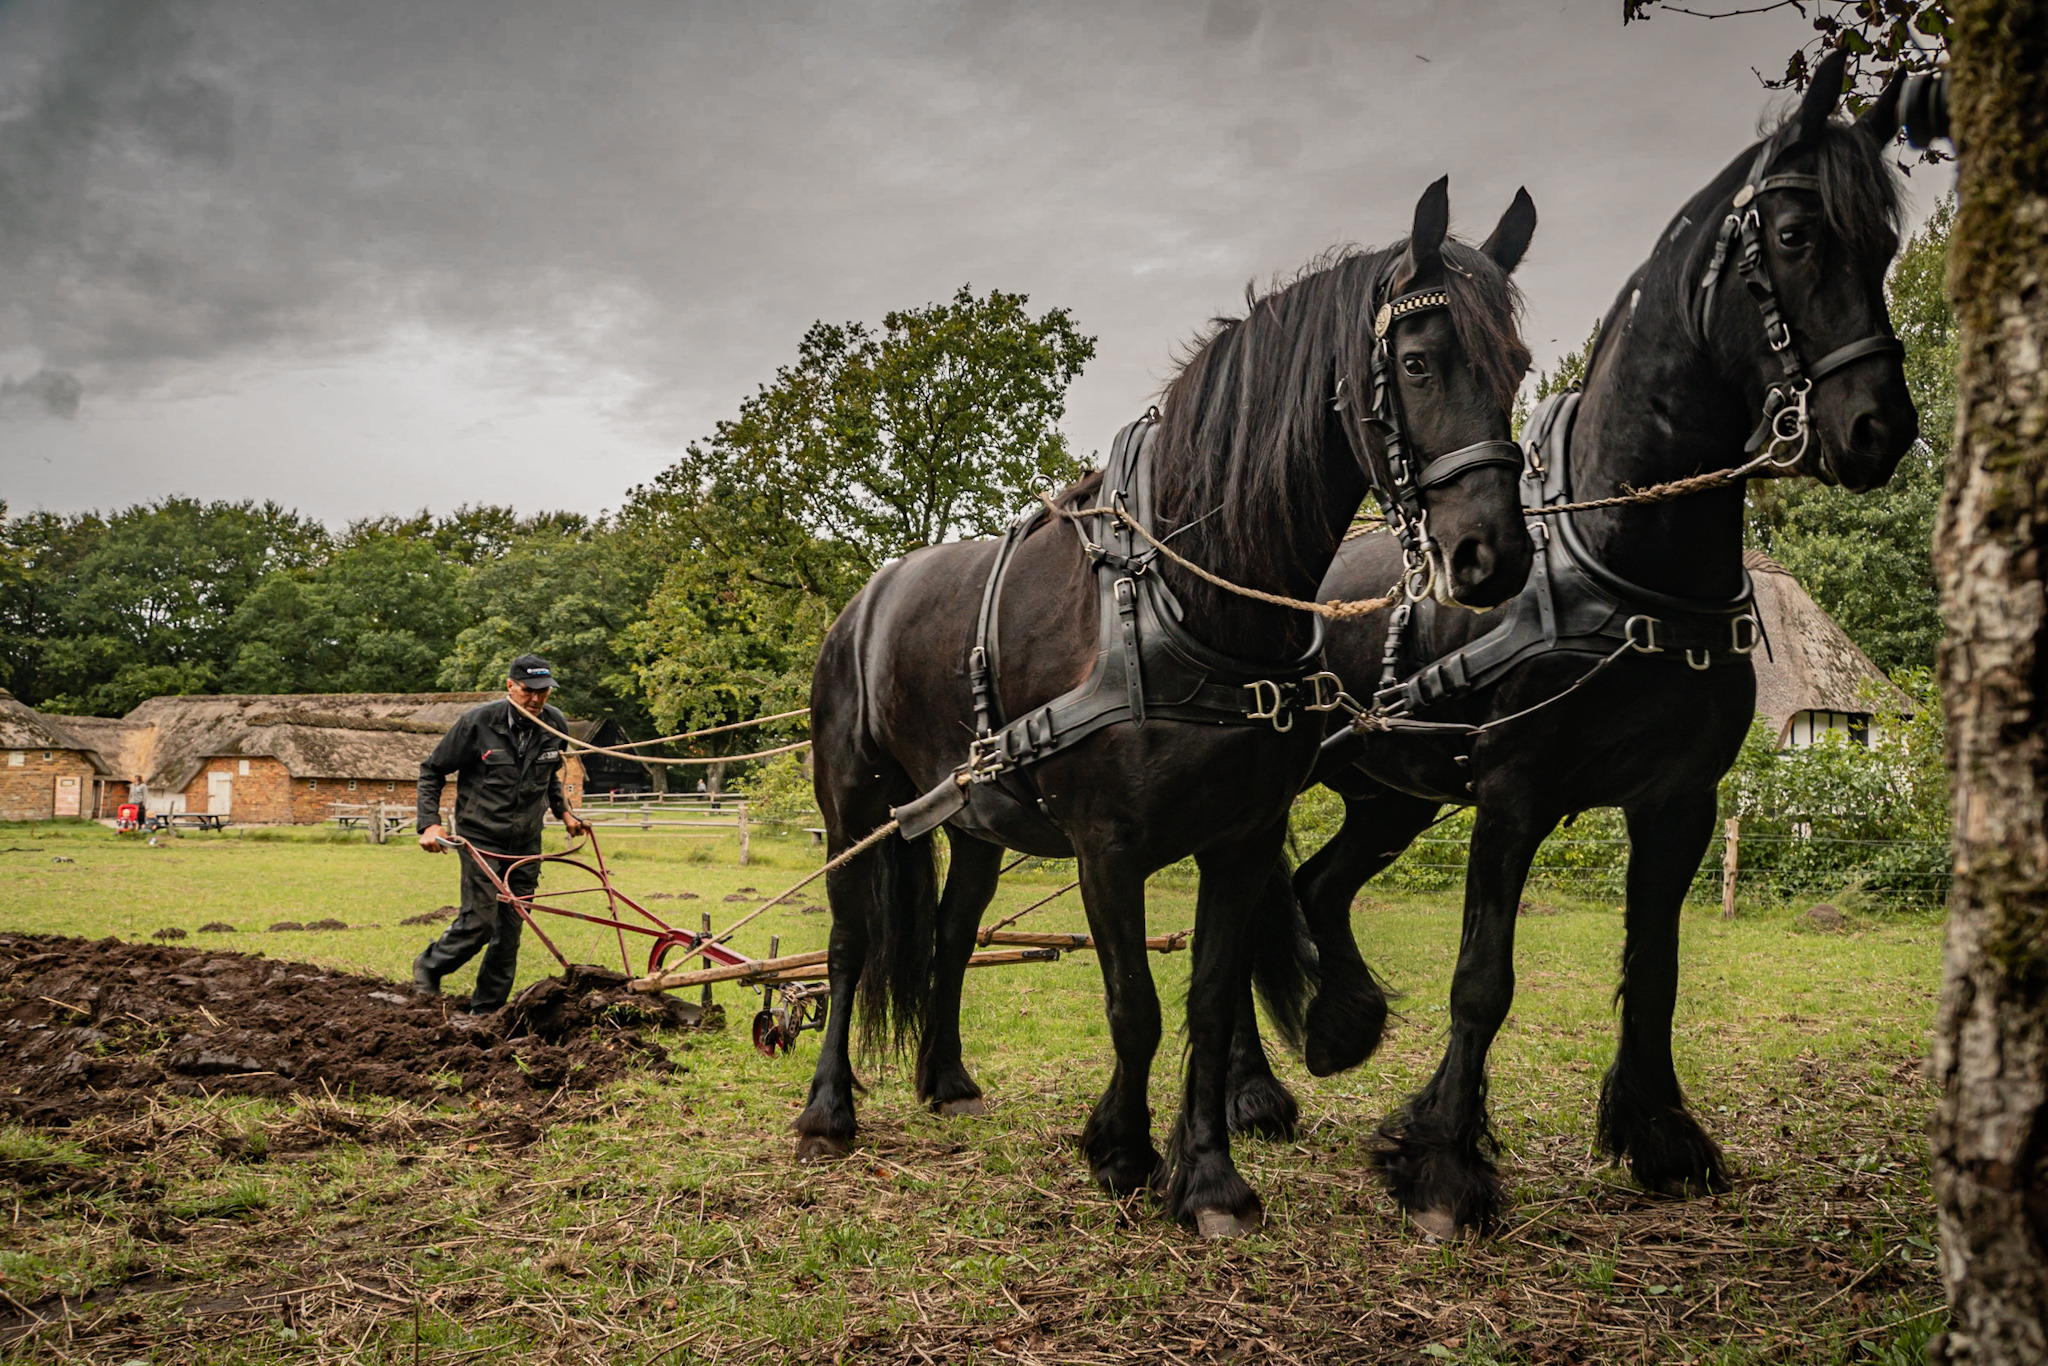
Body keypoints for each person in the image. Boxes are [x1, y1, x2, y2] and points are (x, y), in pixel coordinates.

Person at [413, 653, 590, 1011]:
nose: (537, 699)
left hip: (526, 840)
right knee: (480, 922)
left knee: (510, 930)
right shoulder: (478, 723)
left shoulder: (554, 724)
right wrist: (429, 823)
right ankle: (431, 965)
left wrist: (564, 812)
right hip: (481, 837)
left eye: (544, 692)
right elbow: (432, 770)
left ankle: (488, 1010)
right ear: (510, 686)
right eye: (528, 691)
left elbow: (549, 774)